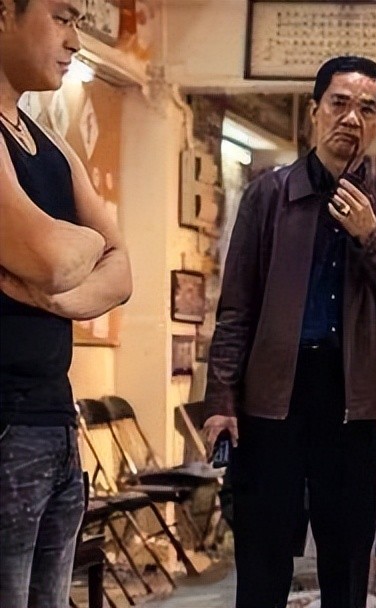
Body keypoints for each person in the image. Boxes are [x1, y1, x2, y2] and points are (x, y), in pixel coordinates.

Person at [201, 56, 376, 608]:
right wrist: (221, 400)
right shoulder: (267, 196)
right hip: (271, 398)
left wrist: (371, 237)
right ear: (314, 111)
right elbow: (236, 308)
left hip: (350, 403)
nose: (351, 118)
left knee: (346, 566)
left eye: (367, 109)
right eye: (339, 104)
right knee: (263, 562)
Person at [0, 1, 133, 605]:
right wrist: (87, 245)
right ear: (5, 13)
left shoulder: (51, 146)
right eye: (61, 17)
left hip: (55, 420)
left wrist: (54, 297)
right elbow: (55, 258)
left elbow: (122, 274)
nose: (75, 40)